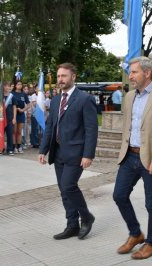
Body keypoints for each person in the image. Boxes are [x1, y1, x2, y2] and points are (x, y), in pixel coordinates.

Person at [113, 56, 152, 260]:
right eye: (130, 72)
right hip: (129, 156)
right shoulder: (129, 97)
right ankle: (135, 233)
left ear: (147, 73)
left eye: (134, 72)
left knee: (151, 204)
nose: (130, 76)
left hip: (151, 159)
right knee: (119, 196)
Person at [38, 63, 98, 240]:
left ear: (73, 77)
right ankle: (72, 225)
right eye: (58, 76)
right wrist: (43, 150)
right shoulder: (56, 99)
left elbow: (91, 129)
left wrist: (88, 154)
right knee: (63, 190)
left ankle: (86, 217)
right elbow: (50, 126)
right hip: (58, 153)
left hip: (76, 153)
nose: (60, 79)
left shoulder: (84, 99)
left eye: (64, 76)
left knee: (68, 186)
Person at [0, 82, 17, 155]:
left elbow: (14, 107)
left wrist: (14, 118)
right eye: (5, 86)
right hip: (1, 118)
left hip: (10, 118)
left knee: (10, 134)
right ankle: (1, 149)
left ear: (10, 87)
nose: (7, 88)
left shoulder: (12, 96)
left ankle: (10, 149)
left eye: (8, 86)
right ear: (3, 87)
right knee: (1, 134)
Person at [12, 81, 30, 154]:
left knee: (19, 132)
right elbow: (11, 104)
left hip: (21, 114)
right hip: (14, 114)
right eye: (18, 84)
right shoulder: (12, 94)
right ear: (15, 85)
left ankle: (19, 146)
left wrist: (23, 110)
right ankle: (14, 147)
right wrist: (15, 109)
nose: (20, 85)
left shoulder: (23, 94)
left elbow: (29, 104)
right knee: (14, 132)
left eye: (21, 84)